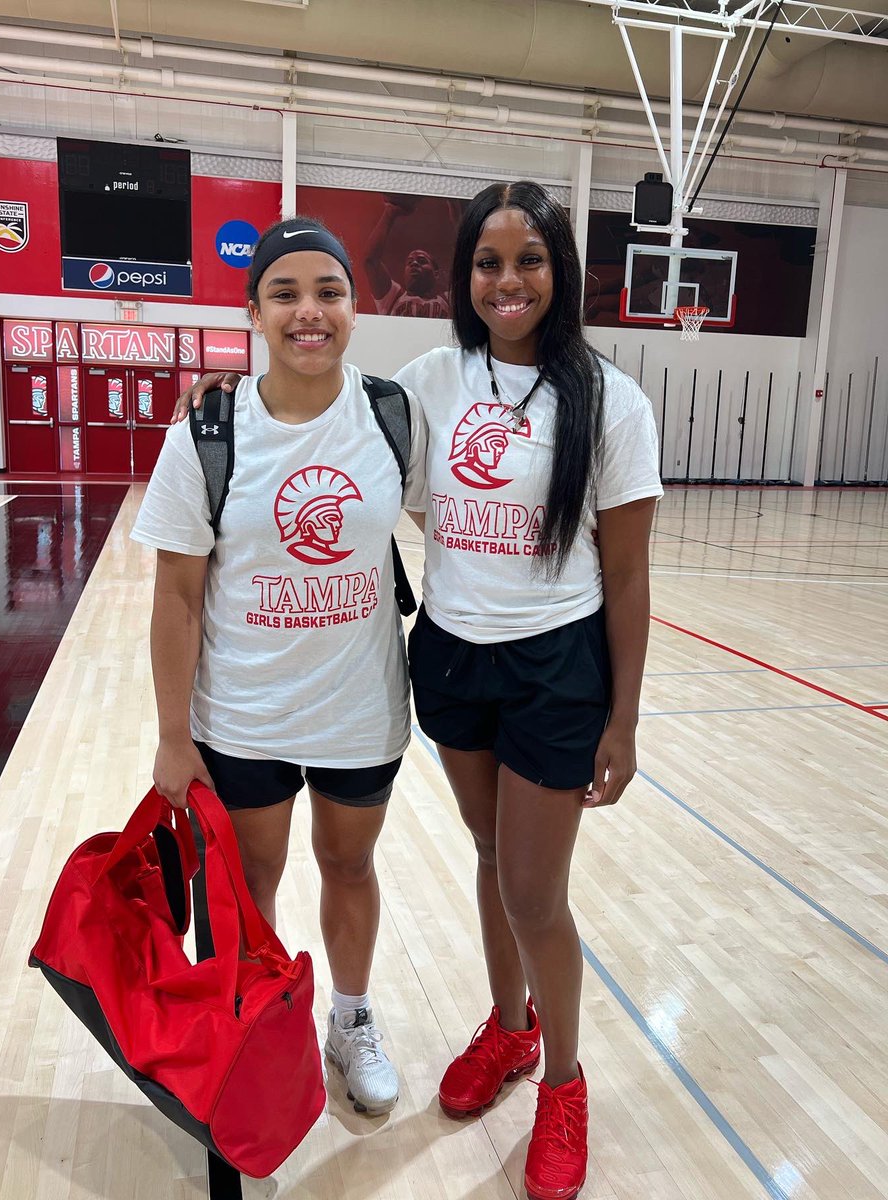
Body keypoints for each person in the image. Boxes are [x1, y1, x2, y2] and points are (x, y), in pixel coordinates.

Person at [175, 181, 662, 1200]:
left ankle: (563, 1085)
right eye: (488, 263)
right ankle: (510, 1028)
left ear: (559, 273)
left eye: (529, 261)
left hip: (556, 666)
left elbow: (628, 573)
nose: (509, 281)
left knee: (535, 891)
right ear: (463, 279)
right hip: (449, 655)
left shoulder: (613, 400)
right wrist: (215, 396)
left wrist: (624, 714)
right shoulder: (430, 382)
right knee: (491, 859)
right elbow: (318, 401)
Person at [132, 217, 426, 1118]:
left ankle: (349, 1017)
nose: (310, 311)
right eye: (286, 294)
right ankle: (258, 1024)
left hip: (360, 709)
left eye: (329, 292)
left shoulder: (392, 414)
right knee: (252, 883)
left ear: (353, 305)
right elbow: (178, 596)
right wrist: (172, 737)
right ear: (252, 310)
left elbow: (456, 524)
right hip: (245, 712)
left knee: (349, 866)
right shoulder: (207, 432)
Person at [364, 194, 452, 318]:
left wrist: (457, 213)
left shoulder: (449, 300)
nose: (414, 264)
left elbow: (469, 264)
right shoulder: (393, 297)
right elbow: (371, 260)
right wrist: (390, 212)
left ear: (436, 272)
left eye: (422, 261)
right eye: (410, 262)